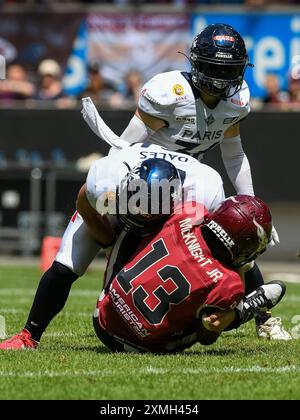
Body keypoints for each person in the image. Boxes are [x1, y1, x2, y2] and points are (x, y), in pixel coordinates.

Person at [82, 23, 289, 339]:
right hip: (154, 182)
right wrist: (119, 186)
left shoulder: (237, 101)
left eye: (228, 69)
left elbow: (234, 155)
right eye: (214, 68)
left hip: (193, 183)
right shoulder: (168, 92)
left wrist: (251, 204)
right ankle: (117, 308)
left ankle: (264, 317)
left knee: (235, 239)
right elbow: (127, 146)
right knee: (130, 241)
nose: (220, 78)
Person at [0, 148, 225, 350]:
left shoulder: (202, 195)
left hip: (166, 222)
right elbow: (85, 205)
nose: (140, 219)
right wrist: (108, 242)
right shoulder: (107, 181)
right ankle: (29, 335)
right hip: (114, 211)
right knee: (64, 267)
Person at [92, 195, 287, 353]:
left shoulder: (190, 211)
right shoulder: (228, 282)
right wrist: (233, 308)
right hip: (140, 344)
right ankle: (244, 309)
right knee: (215, 317)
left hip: (103, 314)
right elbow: (206, 338)